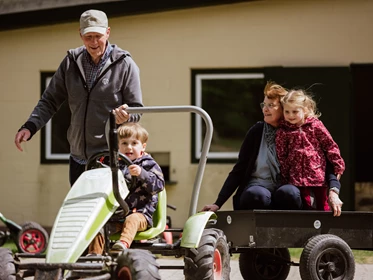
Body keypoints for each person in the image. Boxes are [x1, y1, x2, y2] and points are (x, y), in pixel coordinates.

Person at [14, 9, 143, 186]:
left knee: (107, 214)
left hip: (109, 159)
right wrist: (30, 126)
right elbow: (49, 100)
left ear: (108, 32)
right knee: (79, 213)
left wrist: (126, 116)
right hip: (78, 159)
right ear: (80, 35)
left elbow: (137, 108)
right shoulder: (70, 63)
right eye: (88, 36)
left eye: (98, 35)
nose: (94, 42)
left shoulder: (125, 64)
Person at [201, 81, 344, 216]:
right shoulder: (257, 131)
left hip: (287, 188)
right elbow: (239, 169)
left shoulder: (302, 132)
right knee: (256, 195)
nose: (265, 109)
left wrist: (333, 190)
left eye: (271, 105)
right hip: (259, 188)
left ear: (283, 108)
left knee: (289, 193)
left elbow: (324, 160)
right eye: (264, 104)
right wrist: (218, 203)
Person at [88, 122, 165, 254]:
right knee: (99, 227)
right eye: (124, 143)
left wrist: (142, 174)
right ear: (118, 146)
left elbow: (159, 185)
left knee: (132, 219)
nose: (129, 147)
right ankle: (93, 258)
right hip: (116, 216)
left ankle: (122, 245)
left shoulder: (148, 164)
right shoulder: (113, 163)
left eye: (134, 143)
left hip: (140, 214)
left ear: (143, 146)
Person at [276, 89, 345, 211]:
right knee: (307, 205)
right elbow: (282, 155)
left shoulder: (315, 125)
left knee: (322, 206)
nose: (290, 115)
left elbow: (329, 145)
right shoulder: (284, 131)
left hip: (317, 175)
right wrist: (284, 174)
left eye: (295, 111)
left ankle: (325, 228)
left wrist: (337, 163)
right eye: (287, 111)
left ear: (305, 110)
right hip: (296, 178)